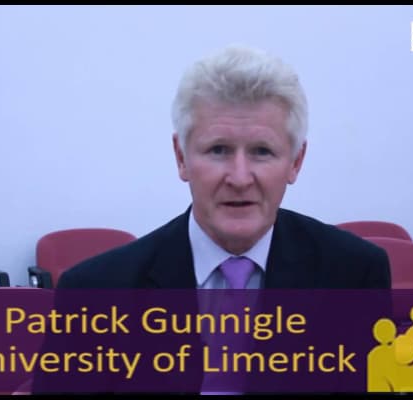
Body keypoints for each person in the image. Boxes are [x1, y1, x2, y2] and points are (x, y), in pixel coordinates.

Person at [58, 44, 391, 291]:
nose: (240, 178)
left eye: (262, 151)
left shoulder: (355, 274)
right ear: (181, 157)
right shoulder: (94, 291)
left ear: (296, 162)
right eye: (218, 150)